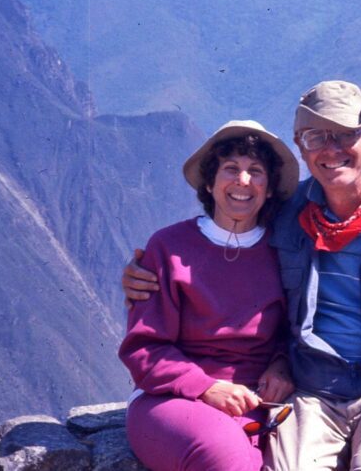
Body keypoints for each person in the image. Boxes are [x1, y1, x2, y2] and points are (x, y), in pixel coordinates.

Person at [123, 82, 361, 471]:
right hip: (316, 390)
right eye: (317, 136)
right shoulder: (287, 217)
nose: (331, 149)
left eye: (346, 134)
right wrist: (140, 274)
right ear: (301, 146)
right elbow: (218, 252)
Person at [118, 120, 299, 471]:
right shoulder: (169, 248)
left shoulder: (284, 252)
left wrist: (280, 365)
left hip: (254, 401)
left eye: (256, 171)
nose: (243, 181)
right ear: (210, 181)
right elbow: (144, 347)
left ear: (270, 187)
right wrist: (205, 387)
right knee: (226, 457)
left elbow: (292, 332)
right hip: (173, 398)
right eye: (231, 168)